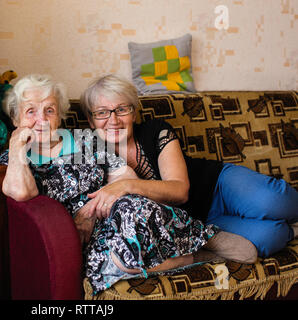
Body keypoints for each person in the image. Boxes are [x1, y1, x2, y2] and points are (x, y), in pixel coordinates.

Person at [0, 74, 255, 295]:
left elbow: (127, 178)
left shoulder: (84, 140)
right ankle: (198, 253)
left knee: (132, 206)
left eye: (49, 110)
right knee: (123, 263)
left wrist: (93, 209)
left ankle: (201, 235)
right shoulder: (15, 158)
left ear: (60, 115)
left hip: (114, 216)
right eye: (30, 111)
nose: (41, 119)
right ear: (16, 118)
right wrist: (17, 145)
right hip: (78, 238)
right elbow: (21, 192)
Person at [79, 73, 298, 259]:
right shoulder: (90, 156)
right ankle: (292, 230)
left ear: (134, 112)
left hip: (218, 185)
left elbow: (179, 190)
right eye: (101, 112)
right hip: (201, 222)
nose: (113, 119)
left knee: (274, 201)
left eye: (122, 109)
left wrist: (126, 185)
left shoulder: (156, 130)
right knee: (270, 237)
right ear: (91, 121)